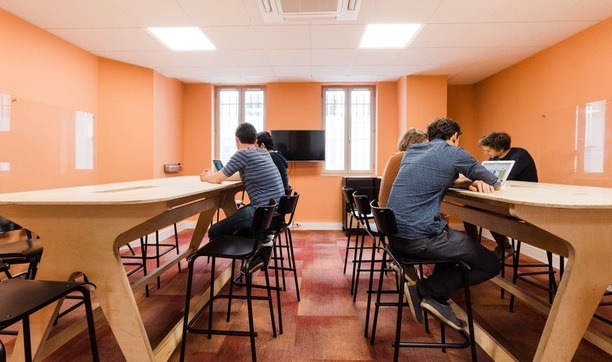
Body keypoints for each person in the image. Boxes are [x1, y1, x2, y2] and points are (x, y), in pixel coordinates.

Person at [386, 117, 502, 330]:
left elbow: (440, 176)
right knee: (491, 264)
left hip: (396, 238)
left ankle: (437, 298)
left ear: (429, 137)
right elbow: (495, 182)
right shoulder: (454, 152)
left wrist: (469, 181)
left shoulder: (413, 151)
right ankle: (426, 290)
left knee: (453, 245)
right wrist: (476, 179)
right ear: (455, 136)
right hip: (420, 239)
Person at [201, 123, 285, 239]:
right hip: (274, 213)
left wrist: (207, 176)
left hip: (261, 213)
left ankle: (249, 246)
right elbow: (240, 176)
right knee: (237, 217)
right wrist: (224, 176)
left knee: (213, 231)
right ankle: (260, 242)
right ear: (255, 140)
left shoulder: (242, 154)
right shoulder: (263, 152)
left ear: (237, 139)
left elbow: (217, 179)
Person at [463, 132, 538, 258]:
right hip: (503, 196)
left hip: (521, 200)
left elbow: (501, 178)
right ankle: (473, 247)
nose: (486, 153)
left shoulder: (520, 155)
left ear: (500, 149)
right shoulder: (495, 158)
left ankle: (505, 247)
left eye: (488, 150)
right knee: (468, 208)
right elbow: (487, 176)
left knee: (489, 212)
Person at [378, 128, 427, 207]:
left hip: (385, 212)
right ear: (415, 144)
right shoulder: (404, 157)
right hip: (393, 213)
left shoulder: (398, 156)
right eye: (425, 145)